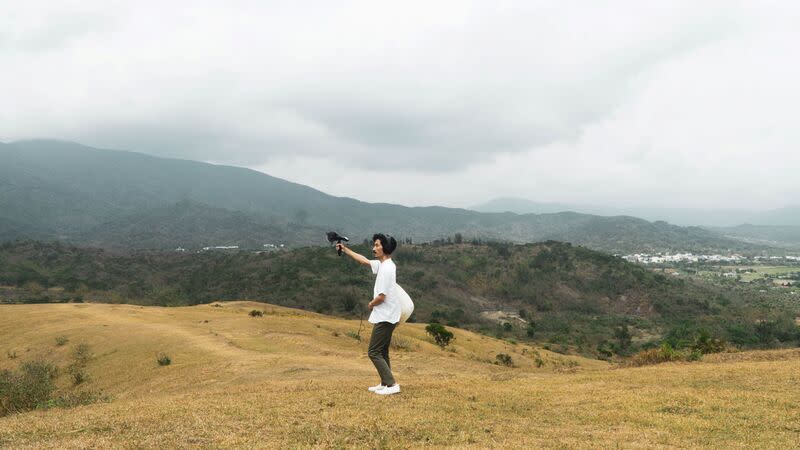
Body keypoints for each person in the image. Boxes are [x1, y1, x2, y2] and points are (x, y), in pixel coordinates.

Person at [336, 233, 401, 395]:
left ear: (384, 248)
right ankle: (386, 383)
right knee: (382, 351)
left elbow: (381, 296)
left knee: (373, 351)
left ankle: (392, 385)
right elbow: (364, 261)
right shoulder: (384, 264)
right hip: (388, 314)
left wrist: (371, 304)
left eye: (377, 245)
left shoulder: (386, 268)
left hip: (386, 315)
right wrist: (345, 250)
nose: (374, 248)